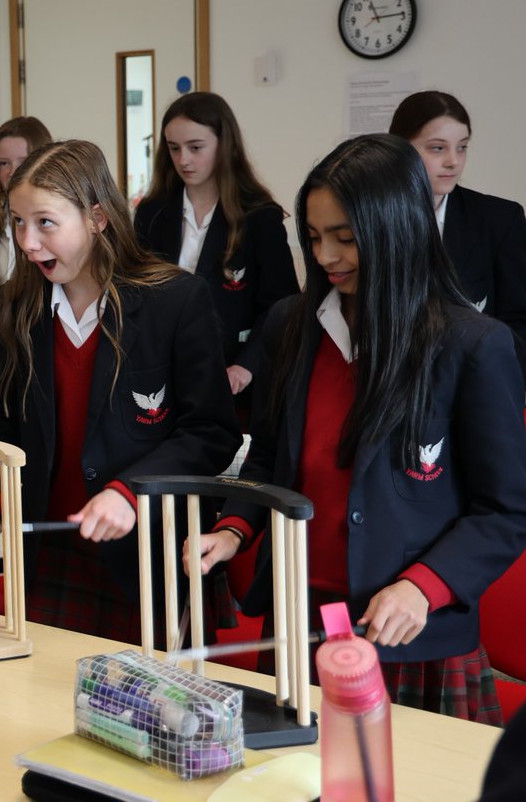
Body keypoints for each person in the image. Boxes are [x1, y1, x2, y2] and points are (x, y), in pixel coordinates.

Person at [188, 134, 526, 723]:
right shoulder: (292, 325)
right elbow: (268, 456)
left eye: (346, 238)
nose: (326, 257)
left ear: (399, 229)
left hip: (408, 633)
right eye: (314, 238)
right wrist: (236, 530)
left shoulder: (472, 344)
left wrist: (424, 585)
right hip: (299, 614)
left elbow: (506, 509)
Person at [0, 139, 240, 643]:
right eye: (17, 222)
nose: (27, 242)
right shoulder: (14, 307)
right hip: (50, 555)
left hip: (148, 559)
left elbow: (210, 433)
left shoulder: (176, 301)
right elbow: (7, 426)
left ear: (97, 218)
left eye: (45, 222)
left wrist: (131, 491)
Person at [134, 92, 299, 407]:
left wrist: (246, 366)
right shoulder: (152, 213)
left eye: (196, 148)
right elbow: (137, 295)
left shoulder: (260, 216)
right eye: (174, 148)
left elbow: (283, 306)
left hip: (233, 381)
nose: (183, 160)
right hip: (164, 376)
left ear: (225, 145)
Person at [388, 90, 526, 380]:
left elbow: (518, 321)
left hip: (476, 383)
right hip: (391, 385)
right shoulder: (375, 214)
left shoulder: (498, 218)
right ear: (400, 148)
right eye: (437, 148)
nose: (453, 161)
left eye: (462, 147)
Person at [0, 116, 53, 411]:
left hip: (45, 345)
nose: (13, 171)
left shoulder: (58, 227)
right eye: (4, 163)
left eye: (23, 160)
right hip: (4, 353)